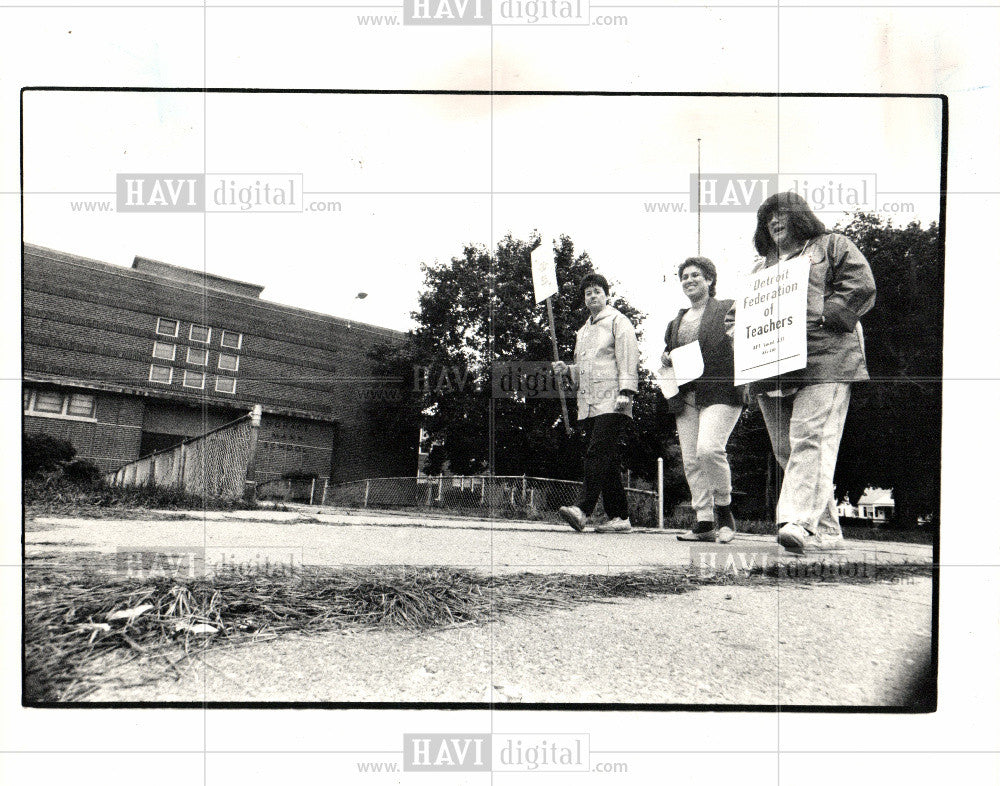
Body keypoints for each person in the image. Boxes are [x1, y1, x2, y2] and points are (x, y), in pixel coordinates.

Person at [750, 191, 876, 553]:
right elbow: (736, 318)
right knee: (786, 449)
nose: (774, 221)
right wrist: (743, 340)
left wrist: (829, 313)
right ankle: (827, 531)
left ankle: (797, 523)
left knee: (811, 438)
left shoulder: (831, 245)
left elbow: (860, 283)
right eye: (767, 217)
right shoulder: (761, 269)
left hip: (826, 358)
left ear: (800, 216)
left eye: (782, 214)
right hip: (771, 367)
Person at [661, 257, 745, 543]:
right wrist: (665, 356)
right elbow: (669, 351)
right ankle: (704, 521)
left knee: (709, 449)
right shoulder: (676, 320)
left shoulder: (727, 308)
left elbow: (743, 339)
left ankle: (724, 512)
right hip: (686, 395)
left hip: (720, 390)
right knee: (692, 460)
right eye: (684, 276)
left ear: (710, 279)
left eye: (696, 274)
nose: (689, 280)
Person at [553, 273, 640, 533]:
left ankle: (582, 510)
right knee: (607, 459)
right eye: (588, 293)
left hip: (614, 399)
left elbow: (628, 356)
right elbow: (582, 370)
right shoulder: (582, 331)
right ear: (584, 299)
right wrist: (567, 369)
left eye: (597, 291)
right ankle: (620, 518)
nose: (592, 296)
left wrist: (626, 390)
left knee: (597, 452)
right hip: (589, 403)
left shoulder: (618, 321)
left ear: (606, 294)